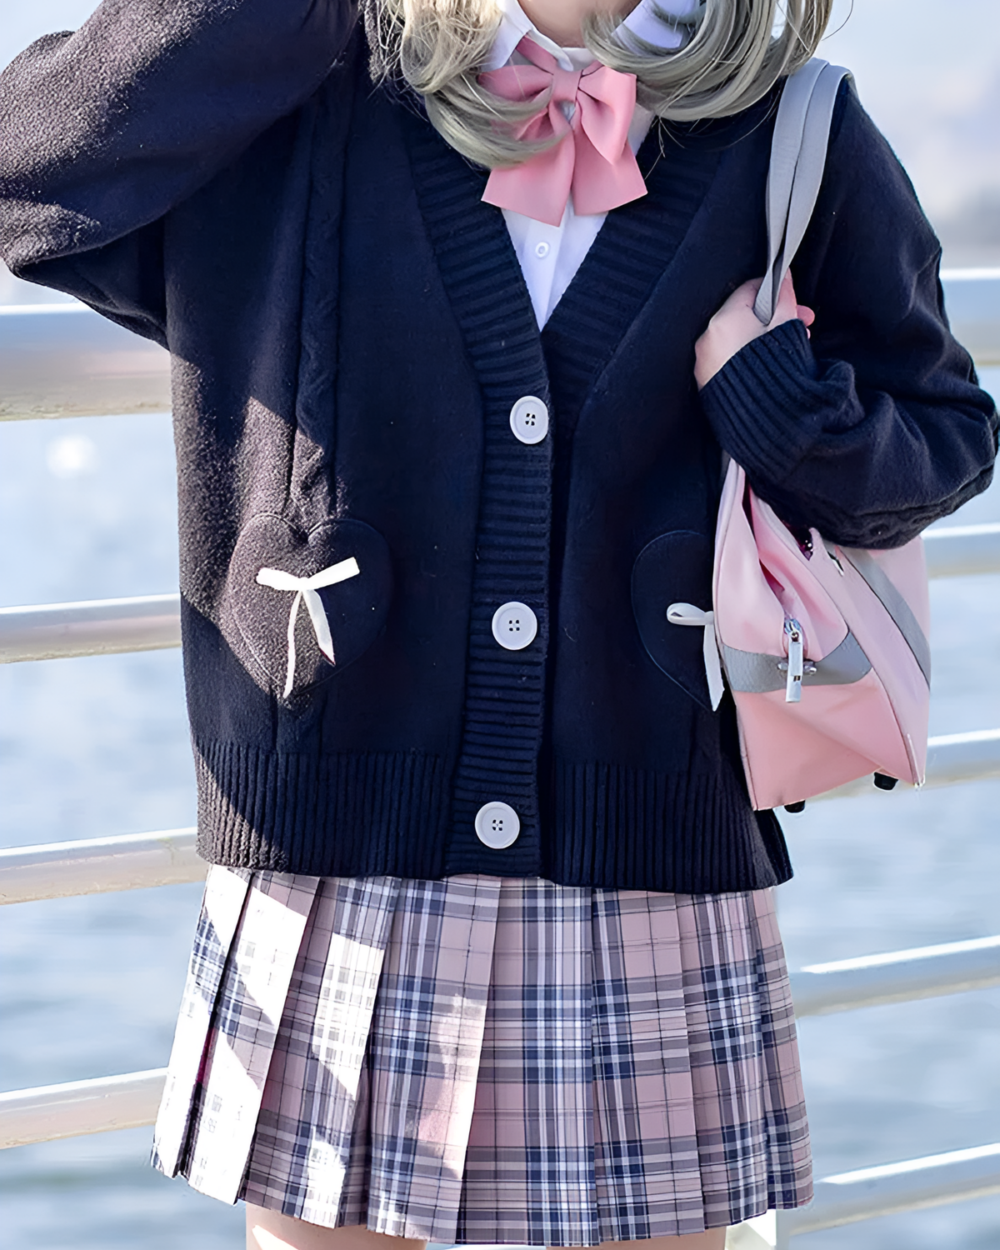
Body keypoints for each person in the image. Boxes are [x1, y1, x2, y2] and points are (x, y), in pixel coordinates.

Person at [1, 0, 996, 1247]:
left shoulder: (787, 122)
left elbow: (942, 438)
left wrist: (775, 404)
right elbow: (27, 169)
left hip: (647, 851)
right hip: (338, 843)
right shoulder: (311, 71)